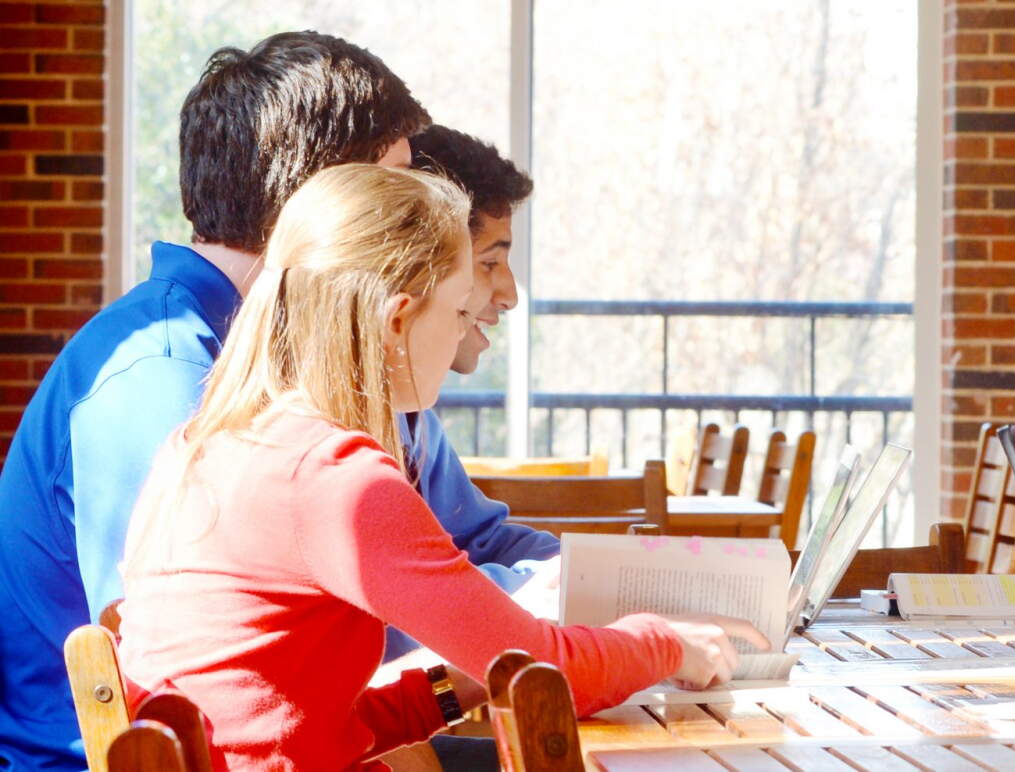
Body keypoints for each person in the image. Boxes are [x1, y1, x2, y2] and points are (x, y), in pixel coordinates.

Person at [116, 164, 767, 770]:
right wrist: (668, 643)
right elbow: (545, 669)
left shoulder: (204, 445)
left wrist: (458, 684)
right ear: (397, 319)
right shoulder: (335, 480)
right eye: (458, 311)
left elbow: (287, 721)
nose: (463, 334)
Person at [0, 32, 429, 770]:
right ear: (318, 204)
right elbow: (196, 670)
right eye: (392, 193)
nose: (412, 226)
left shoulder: (223, 350)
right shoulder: (165, 374)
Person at [371, 124, 548, 663]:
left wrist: (595, 576)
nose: (510, 294)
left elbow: (477, 539)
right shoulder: (331, 449)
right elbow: (403, 620)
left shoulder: (411, 413)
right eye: (487, 263)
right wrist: (551, 595)